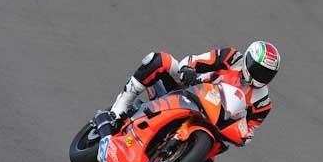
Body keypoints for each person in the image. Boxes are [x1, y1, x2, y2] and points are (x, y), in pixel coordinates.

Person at [94, 41, 281, 145]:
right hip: (188, 92)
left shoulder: (263, 101)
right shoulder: (231, 58)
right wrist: (188, 69)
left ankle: (179, 156)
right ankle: (118, 111)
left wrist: (242, 135)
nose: (260, 75)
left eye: (266, 73)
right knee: (160, 60)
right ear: (248, 58)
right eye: (258, 68)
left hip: (215, 125)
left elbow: (249, 131)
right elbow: (195, 60)